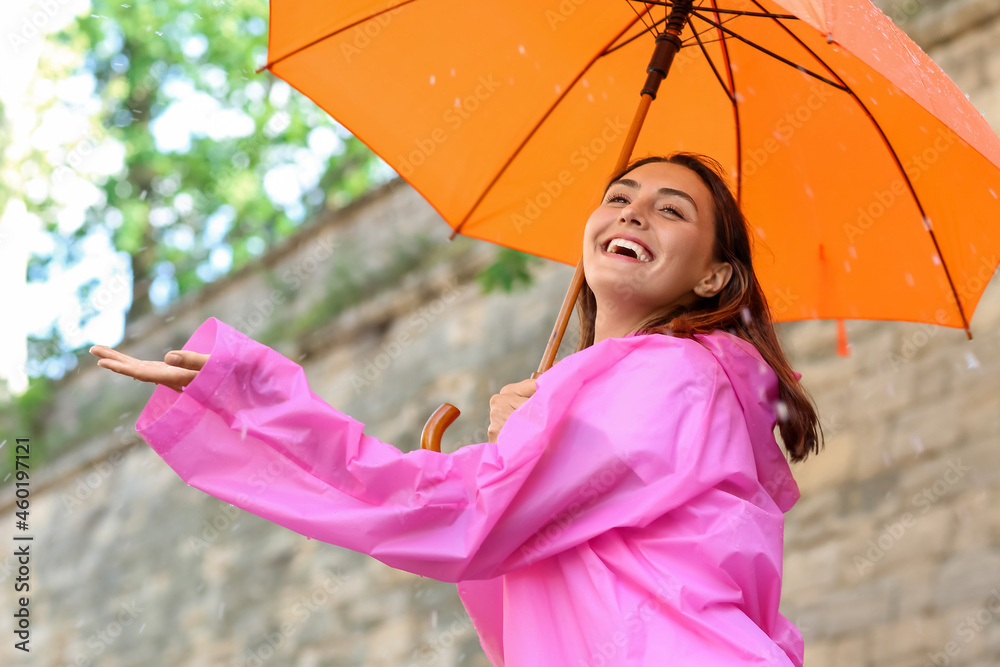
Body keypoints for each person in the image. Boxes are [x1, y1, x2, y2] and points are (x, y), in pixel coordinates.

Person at [91, 152, 823, 666]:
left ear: (714, 274)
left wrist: (247, 396)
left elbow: (466, 518)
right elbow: (519, 576)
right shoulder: (632, 385)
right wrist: (529, 437)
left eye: (671, 210)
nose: (633, 213)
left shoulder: (672, 378)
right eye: (620, 196)